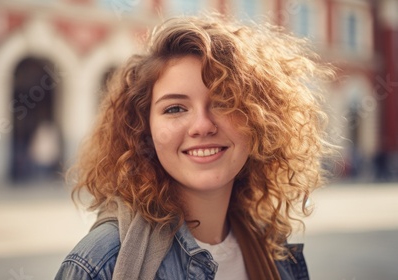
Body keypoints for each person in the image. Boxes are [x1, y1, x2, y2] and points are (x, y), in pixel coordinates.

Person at [55, 14, 335, 280]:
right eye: (175, 108)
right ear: (143, 131)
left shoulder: (276, 251)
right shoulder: (99, 263)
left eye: (225, 102)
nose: (202, 125)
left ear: (260, 119)